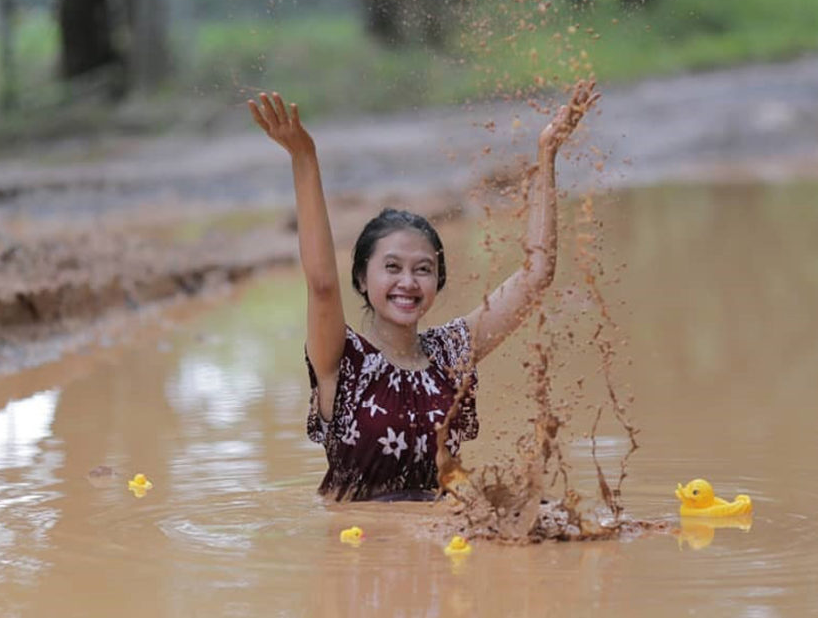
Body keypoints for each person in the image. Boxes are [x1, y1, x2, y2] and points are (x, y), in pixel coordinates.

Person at [248, 82, 599, 502]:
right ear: (362, 279)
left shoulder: (451, 352)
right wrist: (304, 158)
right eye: (392, 268)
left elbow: (536, 274)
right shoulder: (342, 359)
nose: (408, 282)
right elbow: (322, 285)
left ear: (437, 282)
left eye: (424, 270)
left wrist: (546, 155)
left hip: (440, 549)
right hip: (359, 548)